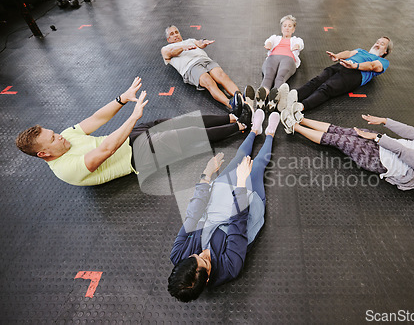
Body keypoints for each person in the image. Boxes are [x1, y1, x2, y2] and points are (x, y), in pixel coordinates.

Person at [15, 77, 254, 186]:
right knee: (187, 134)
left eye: (54, 132)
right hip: (135, 157)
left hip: (129, 138)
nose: (59, 135)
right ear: (44, 154)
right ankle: (242, 125)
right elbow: (107, 149)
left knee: (182, 121)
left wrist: (121, 99)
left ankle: (232, 115)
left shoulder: (65, 137)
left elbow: (96, 118)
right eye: (53, 139)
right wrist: (132, 117)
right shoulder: (66, 170)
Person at [168, 109, 280, 302]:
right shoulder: (230, 268)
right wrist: (242, 183)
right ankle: (270, 133)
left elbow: (193, 215)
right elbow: (238, 224)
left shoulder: (178, 254)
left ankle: (254, 131)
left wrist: (206, 174)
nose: (203, 253)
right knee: (258, 166)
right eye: (205, 261)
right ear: (208, 277)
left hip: (217, 203)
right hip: (244, 212)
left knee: (239, 157)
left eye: (196, 255)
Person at [280, 111, 414, 190]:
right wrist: (385, 121)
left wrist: (377, 138)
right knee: (345, 131)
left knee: (339, 140)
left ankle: (293, 126)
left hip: (381, 160)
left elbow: (405, 154)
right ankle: (300, 118)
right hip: (386, 144)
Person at [279, 36, 393, 112]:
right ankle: (292, 97)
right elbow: (349, 53)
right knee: (317, 80)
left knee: (327, 88)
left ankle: (300, 108)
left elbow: (373, 66)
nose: (377, 44)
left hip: (356, 74)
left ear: (385, 51)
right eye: (377, 42)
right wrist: (338, 56)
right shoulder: (362, 50)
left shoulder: (383, 62)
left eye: (382, 44)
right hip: (342, 65)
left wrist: (356, 66)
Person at [161, 25, 241, 110]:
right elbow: (170, 53)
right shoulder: (166, 48)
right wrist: (182, 48)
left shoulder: (189, 41)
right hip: (190, 67)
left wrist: (204, 42)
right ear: (168, 40)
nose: (175, 35)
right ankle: (231, 105)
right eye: (172, 34)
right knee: (208, 81)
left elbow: (199, 43)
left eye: (176, 32)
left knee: (221, 75)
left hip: (205, 60)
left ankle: (242, 99)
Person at [251, 15, 304, 111]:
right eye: (285, 26)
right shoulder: (275, 38)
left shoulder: (297, 39)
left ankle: (273, 99)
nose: (287, 28)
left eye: (289, 26)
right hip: (273, 57)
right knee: (268, 76)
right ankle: (262, 99)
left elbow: (300, 45)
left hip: (288, 59)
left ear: (293, 29)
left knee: (280, 76)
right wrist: (268, 44)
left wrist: (296, 46)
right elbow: (269, 42)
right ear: (281, 28)